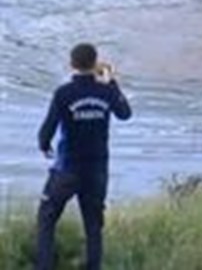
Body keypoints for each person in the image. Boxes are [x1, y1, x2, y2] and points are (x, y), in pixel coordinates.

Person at [36, 43, 132, 270]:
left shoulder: (63, 93)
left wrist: (44, 145)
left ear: (71, 65)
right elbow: (125, 114)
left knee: (46, 218)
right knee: (93, 225)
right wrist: (113, 83)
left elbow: (47, 129)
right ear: (95, 63)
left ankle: (44, 265)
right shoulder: (107, 91)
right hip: (96, 170)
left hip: (67, 168)